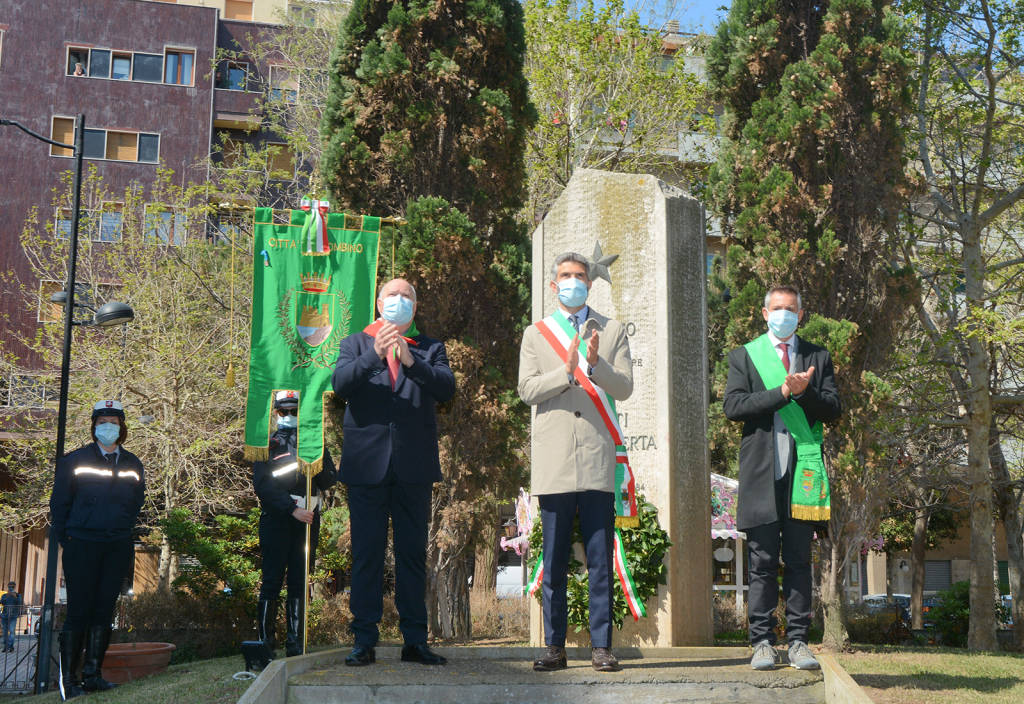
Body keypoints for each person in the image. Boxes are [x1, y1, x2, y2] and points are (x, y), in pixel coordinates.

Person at [517, 252, 633, 673]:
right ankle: (555, 647)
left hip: (598, 461)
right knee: (555, 561)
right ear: (554, 285)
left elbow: (624, 389)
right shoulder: (536, 333)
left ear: (590, 282)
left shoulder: (611, 329)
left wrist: (595, 364)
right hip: (555, 464)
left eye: (580, 276)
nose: (573, 282)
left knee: (600, 559)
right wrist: (565, 372)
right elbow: (527, 390)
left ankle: (602, 646)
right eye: (565, 276)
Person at [332, 278, 454, 667]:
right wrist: (376, 354)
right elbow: (340, 384)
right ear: (379, 303)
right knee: (366, 555)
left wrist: (410, 362)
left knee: (412, 556)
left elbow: (446, 389)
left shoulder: (431, 348)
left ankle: (415, 641)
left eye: (407, 297)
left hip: (413, 467)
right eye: (393, 295)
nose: (399, 301)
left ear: (414, 308)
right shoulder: (355, 343)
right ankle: (363, 640)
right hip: (366, 466)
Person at [723, 285, 841, 671]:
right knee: (761, 562)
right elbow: (734, 406)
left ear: (801, 315)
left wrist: (803, 394)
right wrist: (782, 392)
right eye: (777, 308)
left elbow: (833, 409)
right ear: (764, 312)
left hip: (802, 473)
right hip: (761, 472)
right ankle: (761, 642)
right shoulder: (745, 355)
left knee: (798, 561)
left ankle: (798, 642)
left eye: (791, 309)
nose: (784, 314)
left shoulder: (816, 356)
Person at [50, 400, 145, 700]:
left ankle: (93, 675)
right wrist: (70, 539)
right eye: (103, 421)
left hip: (116, 544)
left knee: (104, 611)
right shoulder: (74, 461)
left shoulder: (133, 464)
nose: (108, 426)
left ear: (122, 427)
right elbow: (59, 505)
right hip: (82, 543)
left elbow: (136, 503)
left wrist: (121, 530)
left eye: (114, 422)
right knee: (79, 611)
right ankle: (70, 681)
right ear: (93, 426)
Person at [251, 390, 337, 658]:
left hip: (309, 521)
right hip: (279, 519)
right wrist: (291, 510)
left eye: (294, 411)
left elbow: (330, 479)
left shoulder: (314, 443)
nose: (289, 416)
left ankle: (295, 643)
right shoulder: (268, 446)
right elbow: (263, 486)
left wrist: (315, 459)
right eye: (283, 411)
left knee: (300, 581)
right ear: (276, 413)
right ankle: (265, 644)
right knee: (272, 580)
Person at [1, 581, 21, 652]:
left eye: (12, 586)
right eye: (9, 586)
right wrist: (7, 596)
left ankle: (11, 646)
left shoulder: (18, 595)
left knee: (12, 631)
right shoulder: (4, 595)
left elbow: (19, 603)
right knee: (5, 632)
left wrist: (15, 596)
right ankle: (5, 646)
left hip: (13, 616)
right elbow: (2, 602)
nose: (10, 588)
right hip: (4, 616)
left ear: (14, 587)